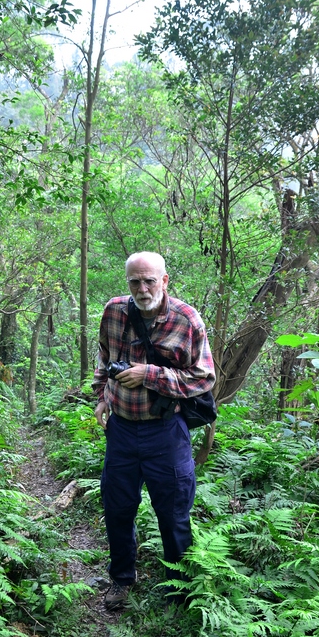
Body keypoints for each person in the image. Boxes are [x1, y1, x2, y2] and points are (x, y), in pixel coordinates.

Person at [92, 252, 216, 610]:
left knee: (174, 510)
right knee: (117, 507)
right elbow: (104, 357)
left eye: (150, 281)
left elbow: (204, 377)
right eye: (135, 281)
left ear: (164, 281)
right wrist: (101, 395)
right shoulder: (114, 311)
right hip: (121, 430)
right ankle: (120, 580)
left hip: (166, 430)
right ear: (127, 282)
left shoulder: (186, 319)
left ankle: (178, 587)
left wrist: (149, 374)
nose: (142, 288)